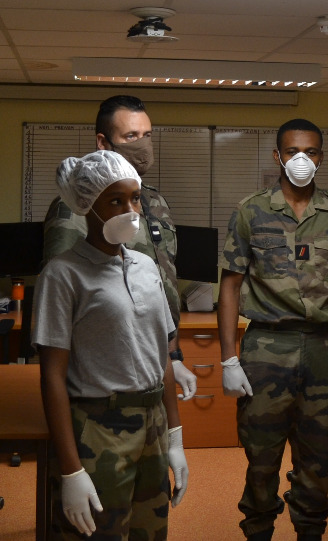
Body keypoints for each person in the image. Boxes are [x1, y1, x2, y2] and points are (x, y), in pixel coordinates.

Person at [217, 118, 328, 541]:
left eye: (311, 152)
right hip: (266, 347)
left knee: (316, 459)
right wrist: (228, 359)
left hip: (321, 349)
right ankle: (258, 531)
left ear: (321, 157)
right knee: (261, 460)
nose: (302, 159)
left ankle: (310, 533)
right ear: (277, 156)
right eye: (293, 151)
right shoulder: (250, 211)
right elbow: (229, 286)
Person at [33, 150, 188, 538]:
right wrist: (71, 469)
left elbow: (162, 356)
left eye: (134, 199)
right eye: (115, 201)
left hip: (152, 423)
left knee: (150, 531)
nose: (130, 211)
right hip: (98, 428)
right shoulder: (63, 274)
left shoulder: (146, 266)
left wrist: (175, 437)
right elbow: (52, 377)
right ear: (87, 205)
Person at [42, 95, 197, 401]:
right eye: (131, 136)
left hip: (153, 362)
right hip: (102, 377)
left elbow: (162, 286)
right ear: (103, 142)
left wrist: (173, 356)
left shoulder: (154, 201)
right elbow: (61, 298)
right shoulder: (78, 206)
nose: (143, 145)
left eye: (147, 135)